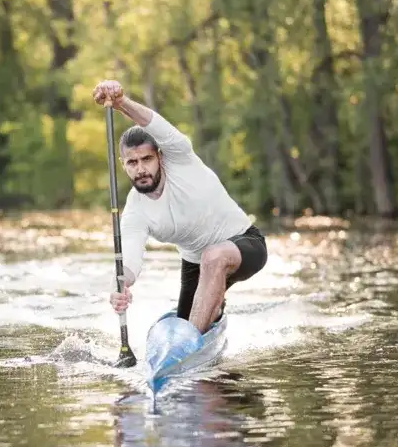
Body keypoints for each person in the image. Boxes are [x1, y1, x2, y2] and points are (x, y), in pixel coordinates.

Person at [92, 79, 268, 342]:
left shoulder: (180, 157)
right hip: (195, 265)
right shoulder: (135, 210)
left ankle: (189, 344)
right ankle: (212, 312)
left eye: (147, 159)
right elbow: (129, 260)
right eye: (132, 162)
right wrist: (119, 286)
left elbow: (154, 124)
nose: (140, 169)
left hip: (246, 244)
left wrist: (121, 103)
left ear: (160, 157)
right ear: (123, 165)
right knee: (200, 286)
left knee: (213, 256)